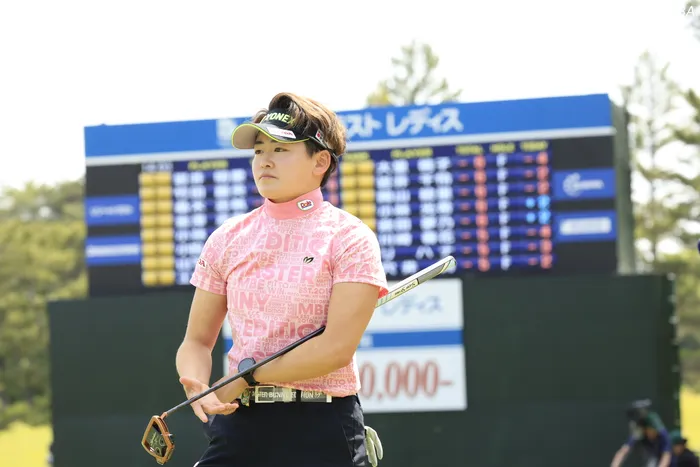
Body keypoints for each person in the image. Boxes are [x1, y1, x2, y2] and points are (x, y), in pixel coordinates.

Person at [175, 92, 389, 467]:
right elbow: (196, 342)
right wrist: (197, 383)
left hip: (323, 426)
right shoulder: (227, 238)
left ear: (320, 161)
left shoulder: (349, 237)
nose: (265, 160)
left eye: (280, 149)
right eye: (259, 150)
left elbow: (335, 349)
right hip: (240, 425)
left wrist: (248, 376)